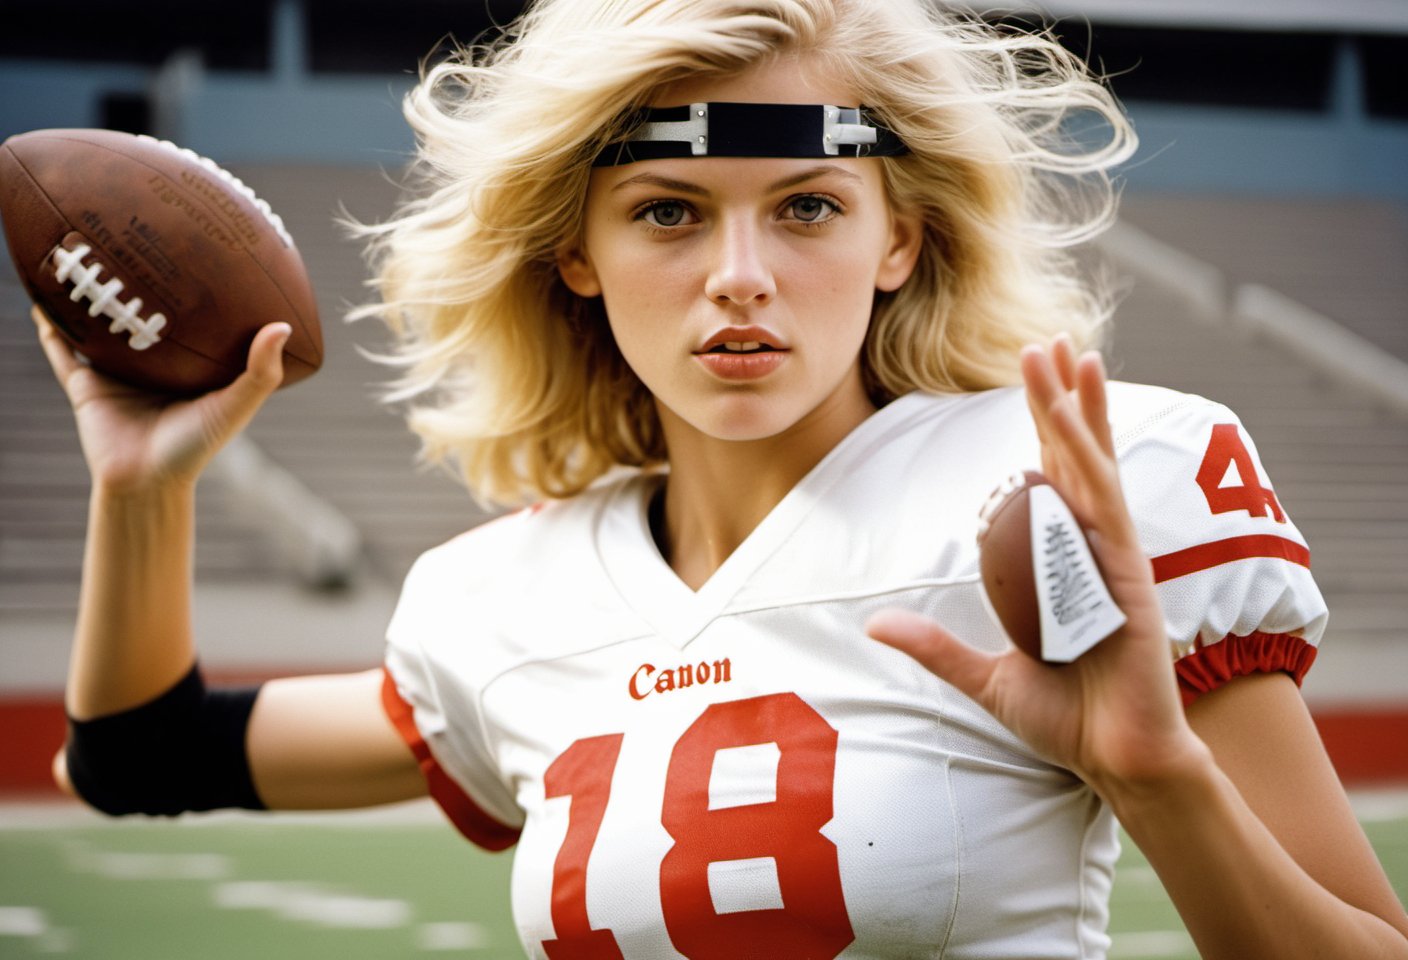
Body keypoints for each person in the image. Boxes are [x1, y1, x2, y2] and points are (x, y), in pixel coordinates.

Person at [34, 0, 1408, 957]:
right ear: (575, 251)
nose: (740, 276)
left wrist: (1162, 777)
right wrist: (143, 490)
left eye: (807, 204)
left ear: (899, 241)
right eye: (669, 213)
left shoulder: (1066, 497)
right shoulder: (504, 599)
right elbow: (141, 755)